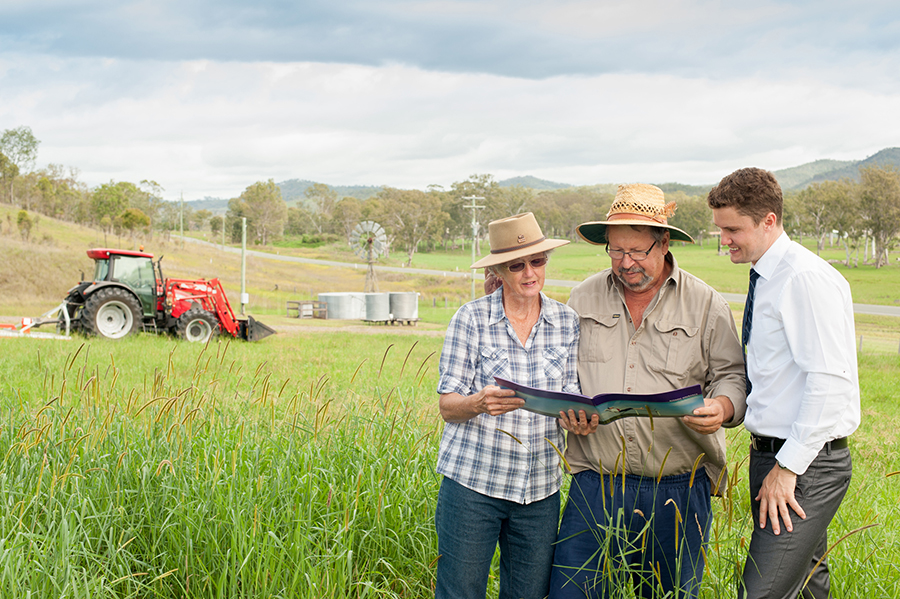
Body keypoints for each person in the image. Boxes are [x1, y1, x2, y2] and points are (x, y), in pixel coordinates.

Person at [549, 184, 746, 599]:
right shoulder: (582, 297)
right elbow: (564, 372)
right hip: (595, 484)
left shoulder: (705, 303)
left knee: (669, 593)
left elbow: (732, 375)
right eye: (616, 252)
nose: (626, 263)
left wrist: (722, 407)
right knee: (572, 591)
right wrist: (568, 408)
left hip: (677, 488)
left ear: (665, 243)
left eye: (637, 251)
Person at [707, 167, 860, 599]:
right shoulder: (769, 276)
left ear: (769, 220)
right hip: (775, 455)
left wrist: (788, 468)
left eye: (733, 229)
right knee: (810, 585)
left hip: (804, 464)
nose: (724, 240)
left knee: (761, 592)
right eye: (720, 229)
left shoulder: (803, 279)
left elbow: (829, 382)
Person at [435, 212, 596, 599]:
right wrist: (476, 403)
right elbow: (447, 404)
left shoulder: (566, 321)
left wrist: (579, 421)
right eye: (517, 265)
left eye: (537, 261)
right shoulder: (470, 319)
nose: (529, 273)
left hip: (539, 490)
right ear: (500, 272)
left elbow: (572, 395)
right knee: (460, 592)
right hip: (473, 485)